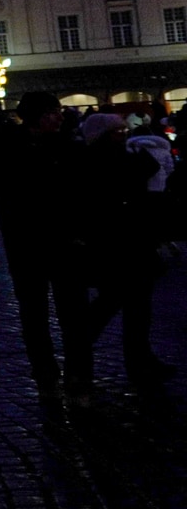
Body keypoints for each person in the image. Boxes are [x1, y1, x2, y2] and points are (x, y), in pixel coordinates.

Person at [0, 90, 92, 403]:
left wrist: (84, 230)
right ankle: (46, 375)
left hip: (65, 241)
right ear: (37, 116)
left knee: (73, 314)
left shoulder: (68, 146)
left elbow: (87, 194)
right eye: (53, 112)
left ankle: (77, 377)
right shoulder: (6, 149)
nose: (60, 117)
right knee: (35, 314)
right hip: (26, 241)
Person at [74, 112, 175, 393]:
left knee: (133, 307)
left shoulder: (113, 156)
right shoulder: (104, 160)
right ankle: (86, 352)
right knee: (117, 303)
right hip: (117, 245)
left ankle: (139, 359)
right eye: (117, 132)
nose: (123, 136)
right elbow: (134, 180)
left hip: (130, 243)